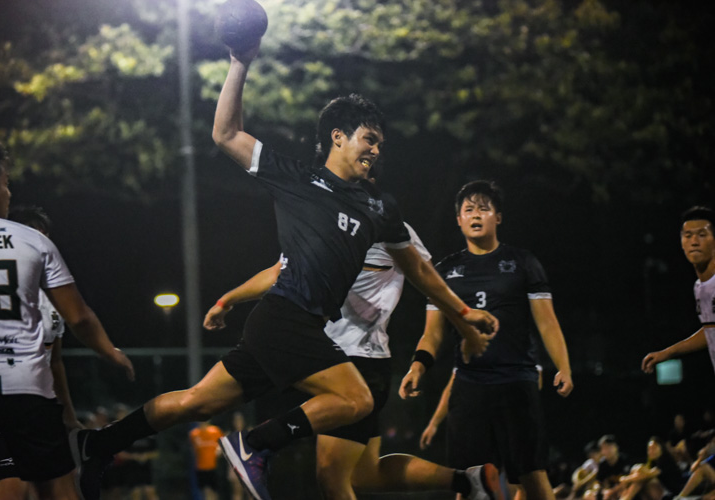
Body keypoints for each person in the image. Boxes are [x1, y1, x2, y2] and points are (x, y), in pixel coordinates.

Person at [70, 41, 498, 500]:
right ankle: (255, 446)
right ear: (338, 136)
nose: (376, 150)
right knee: (356, 399)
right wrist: (240, 63)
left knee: (195, 401)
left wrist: (462, 312)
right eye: (368, 139)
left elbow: (419, 271)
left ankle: (97, 443)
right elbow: (225, 135)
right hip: (285, 319)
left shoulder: (380, 207)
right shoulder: (296, 180)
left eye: (380, 144)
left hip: (291, 327)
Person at [204, 191, 502, 499]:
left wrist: (456, 333)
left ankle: (257, 442)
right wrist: (228, 300)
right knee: (364, 475)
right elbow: (279, 273)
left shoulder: (390, 230)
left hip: (361, 361)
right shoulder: (322, 227)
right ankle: (469, 482)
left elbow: (431, 282)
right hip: (330, 357)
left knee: (331, 478)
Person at [0, 137, 134, 499]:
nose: (8, 192)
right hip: (25, 386)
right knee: (59, 487)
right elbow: (80, 316)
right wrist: (109, 352)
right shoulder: (32, 240)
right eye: (5, 182)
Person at [400, 180, 573, 500]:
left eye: (484, 208)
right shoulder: (445, 270)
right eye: (468, 209)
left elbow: (547, 322)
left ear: (498, 217)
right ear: (459, 220)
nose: (476, 214)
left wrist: (563, 366)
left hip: (516, 382)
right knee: (469, 481)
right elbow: (433, 332)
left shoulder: (523, 263)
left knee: (532, 476)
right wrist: (418, 366)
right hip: (469, 387)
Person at [0, 206, 87, 500]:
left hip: (39, 411)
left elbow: (55, 362)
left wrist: (69, 416)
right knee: (12, 490)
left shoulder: (53, 300)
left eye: (44, 238)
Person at [642, 206, 715, 377]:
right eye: (688, 236)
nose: (694, 242)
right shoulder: (700, 288)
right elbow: (711, 330)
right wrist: (666, 353)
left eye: (702, 235)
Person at [190, 421, 225, 500]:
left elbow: (222, 446)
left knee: (214, 492)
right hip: (201, 468)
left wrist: (219, 451)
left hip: (214, 467)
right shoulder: (194, 434)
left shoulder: (215, 431)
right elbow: (193, 450)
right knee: (205, 491)